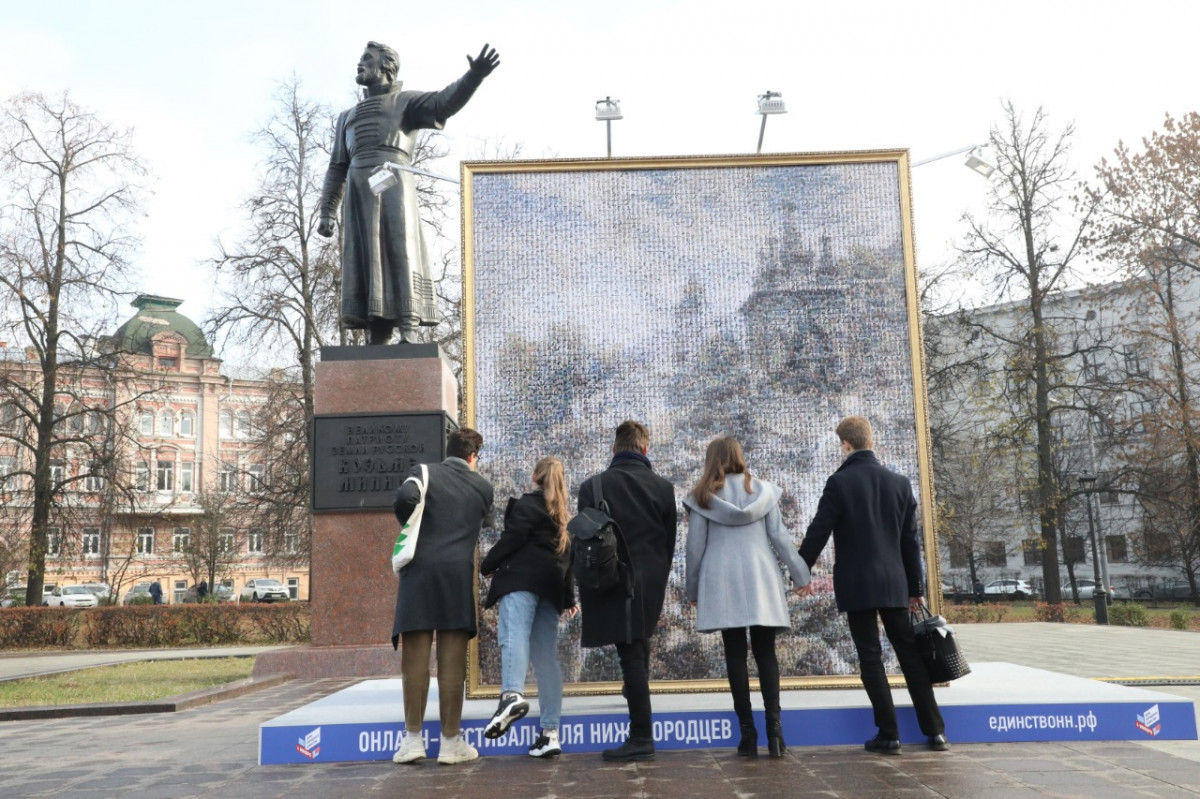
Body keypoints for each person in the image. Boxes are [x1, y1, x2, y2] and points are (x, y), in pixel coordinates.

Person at [318, 41, 500, 345]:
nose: (360, 64)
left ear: (386, 66)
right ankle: (376, 330)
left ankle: (408, 327)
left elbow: (444, 102)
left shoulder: (405, 102)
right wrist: (326, 210)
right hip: (358, 190)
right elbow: (337, 166)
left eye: (367, 59)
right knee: (365, 258)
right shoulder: (345, 117)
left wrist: (474, 77)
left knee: (399, 249)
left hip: (394, 182)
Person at [797, 416, 949, 755]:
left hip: (858, 584)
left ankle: (889, 734)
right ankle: (936, 731)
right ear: (871, 441)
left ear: (846, 445)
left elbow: (818, 533)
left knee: (871, 658)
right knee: (910, 656)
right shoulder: (899, 483)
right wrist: (916, 588)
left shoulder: (839, 483)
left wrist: (800, 573)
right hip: (895, 583)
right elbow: (910, 543)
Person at [683, 436, 810, 758]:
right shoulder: (764, 492)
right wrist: (800, 577)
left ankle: (747, 734)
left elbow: (694, 549)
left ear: (711, 461)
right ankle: (776, 732)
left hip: (720, 580)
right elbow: (780, 539)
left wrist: (693, 589)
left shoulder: (702, 498)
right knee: (766, 654)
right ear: (739, 457)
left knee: (735, 655)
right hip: (760, 577)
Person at [390, 428, 495, 765]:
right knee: (452, 665)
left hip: (418, 574)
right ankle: (451, 743)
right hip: (456, 578)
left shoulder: (423, 473)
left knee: (415, 663)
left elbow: (405, 499)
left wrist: (412, 525)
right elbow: (487, 521)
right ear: (473, 456)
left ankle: (413, 740)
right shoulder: (482, 486)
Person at [576, 420, 677, 762]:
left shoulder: (593, 486)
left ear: (614, 449)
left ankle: (641, 737)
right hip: (650, 583)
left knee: (631, 657)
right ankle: (640, 726)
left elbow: (585, 542)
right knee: (638, 652)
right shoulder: (663, 488)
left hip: (613, 581)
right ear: (645, 449)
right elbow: (669, 544)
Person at [479, 456, 577, 758]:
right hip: (551, 590)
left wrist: (486, 565)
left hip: (521, 582)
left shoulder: (527, 504)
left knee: (514, 636)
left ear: (535, 475)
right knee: (546, 658)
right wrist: (570, 599)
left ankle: (511, 695)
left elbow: (513, 538)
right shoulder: (563, 517)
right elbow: (567, 560)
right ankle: (550, 734)